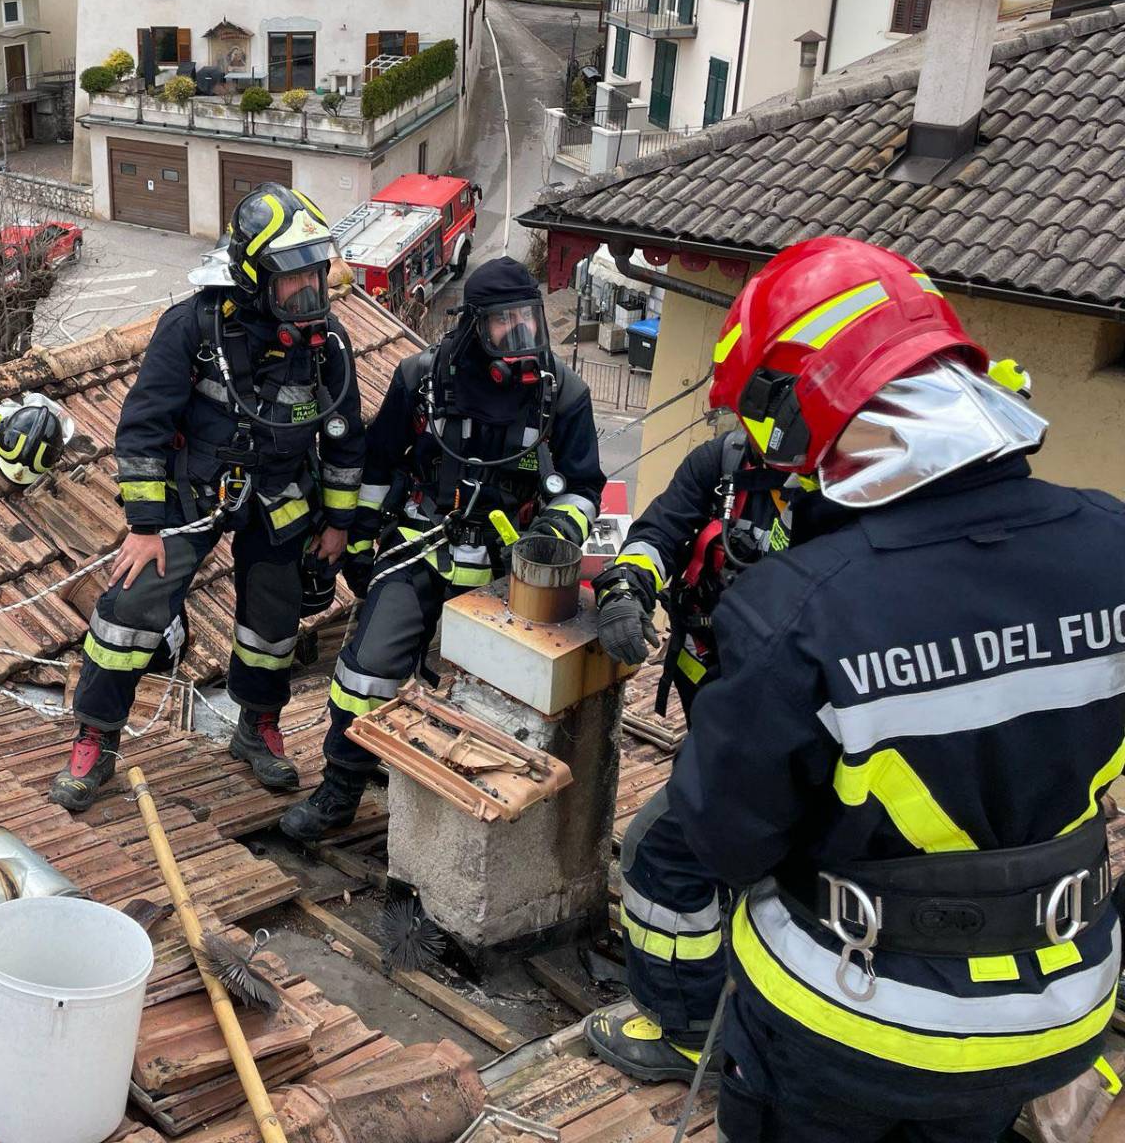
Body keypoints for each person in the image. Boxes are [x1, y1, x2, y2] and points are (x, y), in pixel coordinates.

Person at [659, 236, 1124, 1140]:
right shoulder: (1114, 543)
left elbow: (725, 838)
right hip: (1060, 1009)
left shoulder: (798, 609)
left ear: (804, 408)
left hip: (850, 1023)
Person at [52, 184, 364, 812]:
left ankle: (256, 728)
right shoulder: (194, 327)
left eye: (315, 275)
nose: (309, 294)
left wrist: (337, 524)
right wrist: (144, 526)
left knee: (273, 623)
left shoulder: (326, 344)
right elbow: (140, 428)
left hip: (281, 496)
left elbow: (345, 439)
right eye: (292, 280)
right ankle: (96, 737)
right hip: (191, 495)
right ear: (254, 278)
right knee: (130, 610)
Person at [281, 257, 604, 841]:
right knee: (367, 669)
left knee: (496, 692)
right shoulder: (421, 380)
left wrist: (553, 535)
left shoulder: (563, 396)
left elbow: (582, 488)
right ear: (475, 325)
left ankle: (464, 811)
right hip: (421, 546)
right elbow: (377, 465)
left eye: (528, 322)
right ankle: (341, 788)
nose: (520, 338)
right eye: (504, 324)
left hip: (508, 569)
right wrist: (359, 544)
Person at [586, 431, 833, 1081]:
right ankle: (742, 979)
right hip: (723, 709)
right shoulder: (722, 464)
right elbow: (659, 530)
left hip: (788, 730)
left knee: (656, 858)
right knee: (747, 871)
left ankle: (689, 1033)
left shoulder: (850, 490)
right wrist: (624, 588)